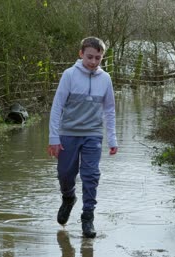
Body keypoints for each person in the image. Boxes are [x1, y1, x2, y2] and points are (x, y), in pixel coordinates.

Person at [47, 37, 118, 238]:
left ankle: (88, 218)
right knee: (65, 174)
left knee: (91, 176)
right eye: (90, 57)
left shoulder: (106, 79)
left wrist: (112, 139)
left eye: (98, 58)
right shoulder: (69, 75)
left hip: (93, 135)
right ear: (81, 54)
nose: (93, 62)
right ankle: (68, 198)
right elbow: (57, 106)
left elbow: (110, 110)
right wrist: (54, 137)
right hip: (68, 134)